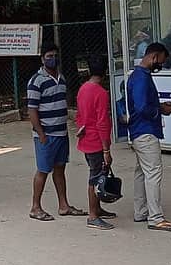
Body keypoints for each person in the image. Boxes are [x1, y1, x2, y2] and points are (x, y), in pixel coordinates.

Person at [27, 43, 84, 221]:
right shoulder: (36, 81)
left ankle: (63, 205)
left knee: (60, 169)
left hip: (61, 132)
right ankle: (35, 207)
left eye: (55, 55)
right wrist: (41, 133)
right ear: (42, 58)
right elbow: (32, 110)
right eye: (49, 56)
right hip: (46, 134)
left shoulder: (61, 78)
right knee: (43, 170)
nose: (53, 59)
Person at [128, 43, 171, 232]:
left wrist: (158, 107)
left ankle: (141, 211)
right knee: (153, 173)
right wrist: (161, 109)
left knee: (141, 172)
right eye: (161, 60)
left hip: (138, 131)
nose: (161, 65)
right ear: (154, 56)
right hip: (145, 131)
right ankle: (155, 217)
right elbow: (142, 107)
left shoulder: (137, 75)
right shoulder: (142, 78)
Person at [76, 56, 117, 230]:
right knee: (96, 178)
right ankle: (93, 215)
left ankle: (97, 209)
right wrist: (106, 149)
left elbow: (80, 116)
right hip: (96, 141)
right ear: (105, 72)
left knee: (96, 175)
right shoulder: (101, 93)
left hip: (87, 138)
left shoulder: (83, 89)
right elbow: (102, 122)